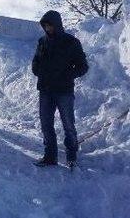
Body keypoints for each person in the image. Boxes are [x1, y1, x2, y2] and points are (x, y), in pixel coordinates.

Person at [32, 10, 88, 168]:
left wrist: (67, 75)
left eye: (50, 25)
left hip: (64, 91)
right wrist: (37, 70)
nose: (48, 28)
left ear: (57, 24)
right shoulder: (42, 41)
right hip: (45, 90)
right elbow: (36, 61)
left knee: (68, 124)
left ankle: (71, 155)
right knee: (46, 124)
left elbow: (83, 66)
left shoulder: (71, 42)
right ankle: (50, 156)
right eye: (45, 26)